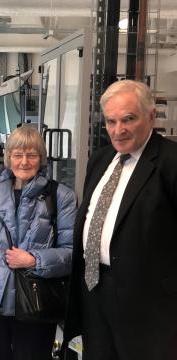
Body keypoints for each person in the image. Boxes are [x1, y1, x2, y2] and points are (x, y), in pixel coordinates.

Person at [63, 80, 177, 360]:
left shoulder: (170, 162)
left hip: (148, 302)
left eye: (128, 119)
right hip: (94, 288)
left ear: (151, 116)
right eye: (111, 121)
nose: (118, 129)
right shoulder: (101, 159)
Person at [0, 126, 76, 360]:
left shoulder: (61, 196)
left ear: (41, 158)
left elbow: (72, 252)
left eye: (31, 155)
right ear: (9, 158)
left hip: (35, 302)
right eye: (18, 154)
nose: (24, 161)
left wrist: (35, 260)